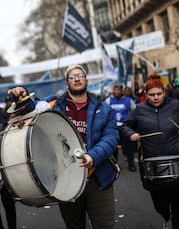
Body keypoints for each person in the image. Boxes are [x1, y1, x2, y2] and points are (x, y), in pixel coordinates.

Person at [8, 64, 119, 229]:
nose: (77, 79)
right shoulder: (54, 105)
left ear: (86, 80)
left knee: (105, 226)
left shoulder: (104, 109)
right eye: (72, 77)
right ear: (66, 83)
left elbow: (111, 137)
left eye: (80, 75)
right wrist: (22, 96)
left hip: (98, 179)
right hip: (66, 181)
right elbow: (32, 109)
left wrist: (92, 157)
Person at [121, 74, 179, 229]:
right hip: (151, 162)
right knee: (159, 202)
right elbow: (125, 126)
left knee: (178, 200)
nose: (156, 97)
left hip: (178, 159)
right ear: (145, 95)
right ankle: (166, 215)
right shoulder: (139, 110)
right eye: (151, 95)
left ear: (164, 92)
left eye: (159, 94)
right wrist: (131, 134)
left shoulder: (177, 106)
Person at [105, 83, 137, 171]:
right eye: (115, 89)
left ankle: (131, 163)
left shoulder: (128, 100)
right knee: (113, 147)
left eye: (118, 89)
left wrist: (132, 122)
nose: (116, 91)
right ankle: (115, 165)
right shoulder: (108, 100)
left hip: (125, 127)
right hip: (113, 128)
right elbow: (104, 113)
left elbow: (135, 111)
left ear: (122, 91)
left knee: (128, 147)